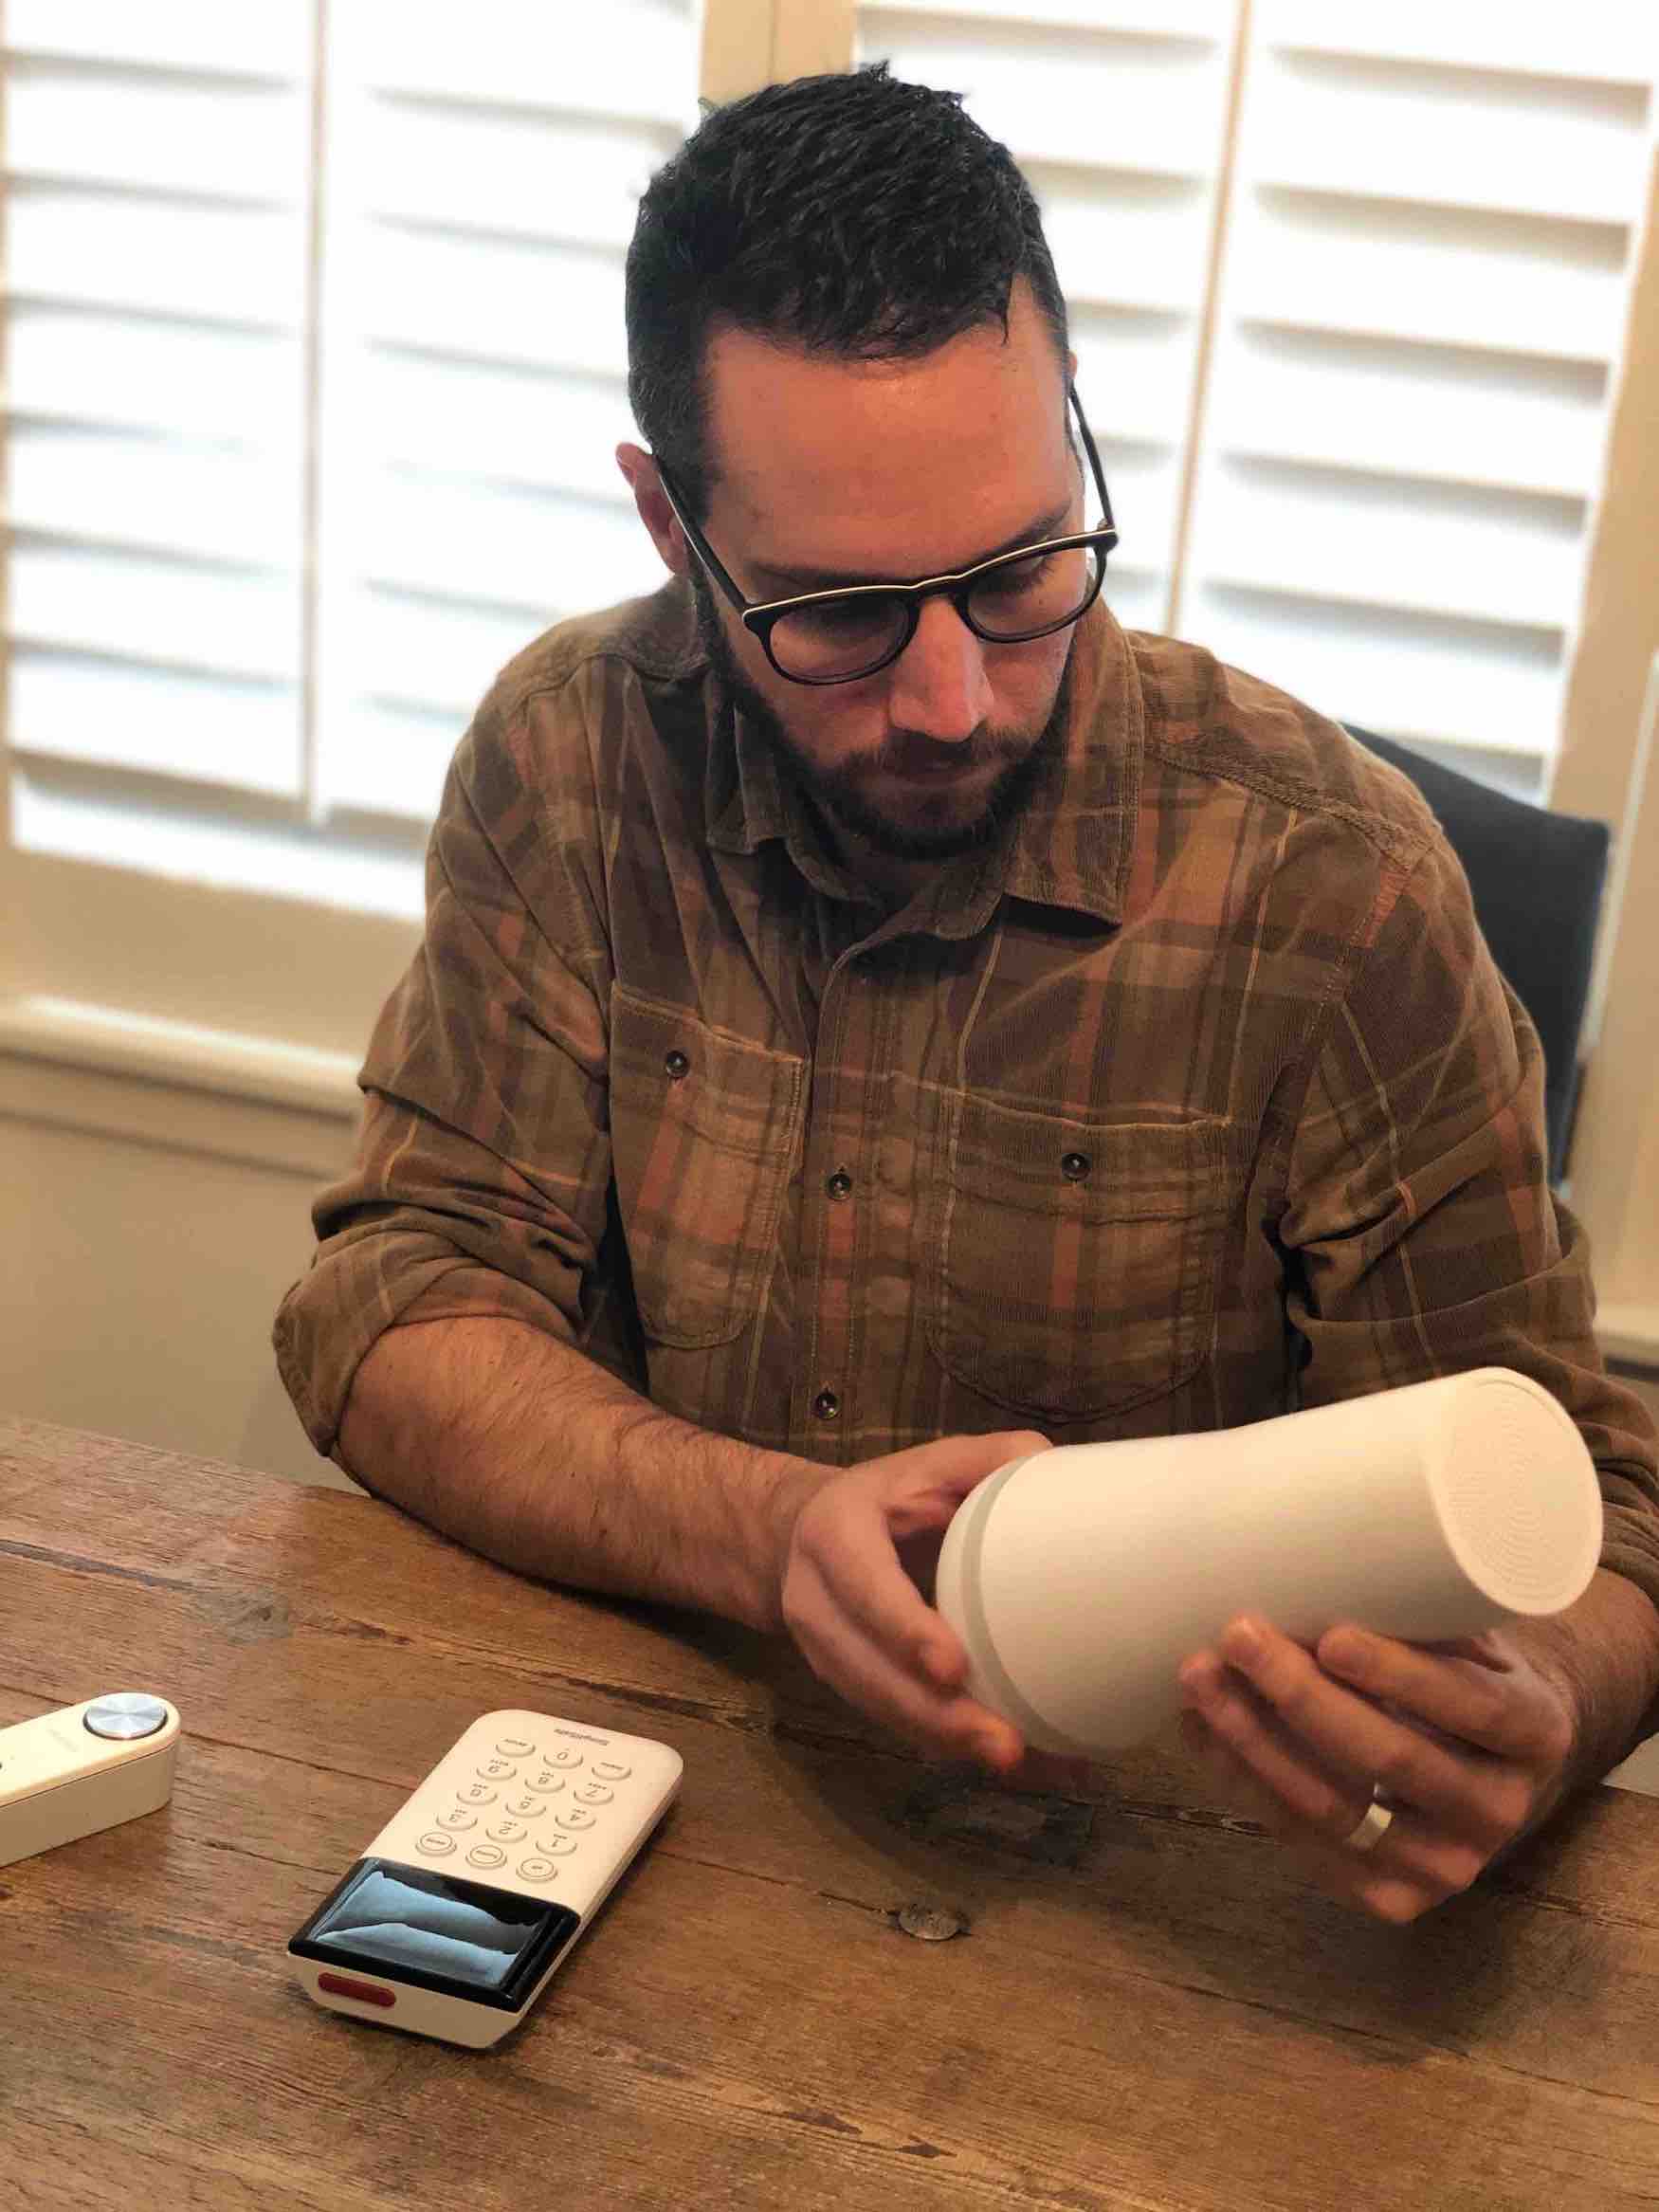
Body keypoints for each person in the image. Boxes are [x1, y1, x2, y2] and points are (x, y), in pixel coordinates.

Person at [275, 66, 1659, 1923]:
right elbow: (384, 1316)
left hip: (1156, 1911)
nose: (950, 699)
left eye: (1021, 570)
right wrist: (768, 1534)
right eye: (837, 615)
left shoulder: (1328, 883)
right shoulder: (574, 756)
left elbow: (1592, 1506)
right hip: (665, 1811)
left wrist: (1544, 1700)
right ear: (671, 530)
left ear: (1073, 434)